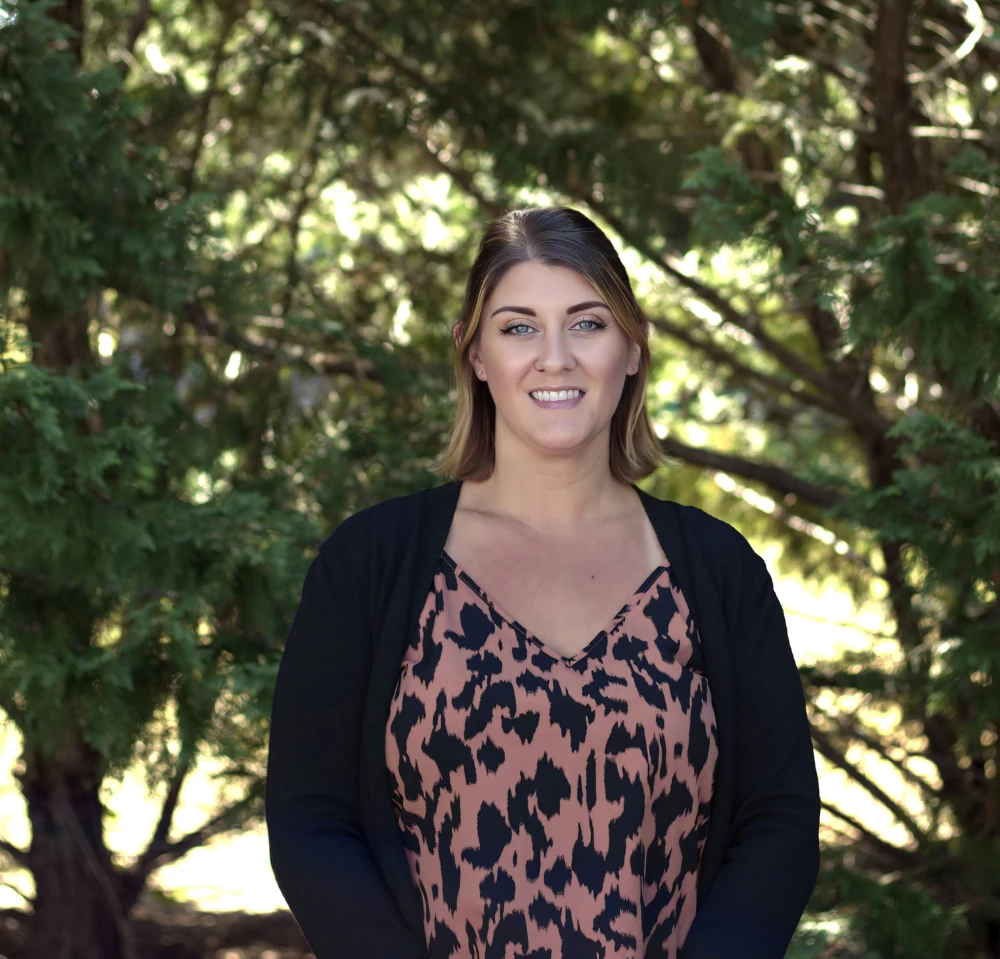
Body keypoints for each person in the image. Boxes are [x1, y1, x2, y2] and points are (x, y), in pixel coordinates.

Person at [265, 206, 821, 959]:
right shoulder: (371, 563)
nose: (554, 357)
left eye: (587, 324)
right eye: (519, 326)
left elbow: (778, 819)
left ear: (632, 348)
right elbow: (311, 818)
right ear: (474, 353)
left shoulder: (718, 572)